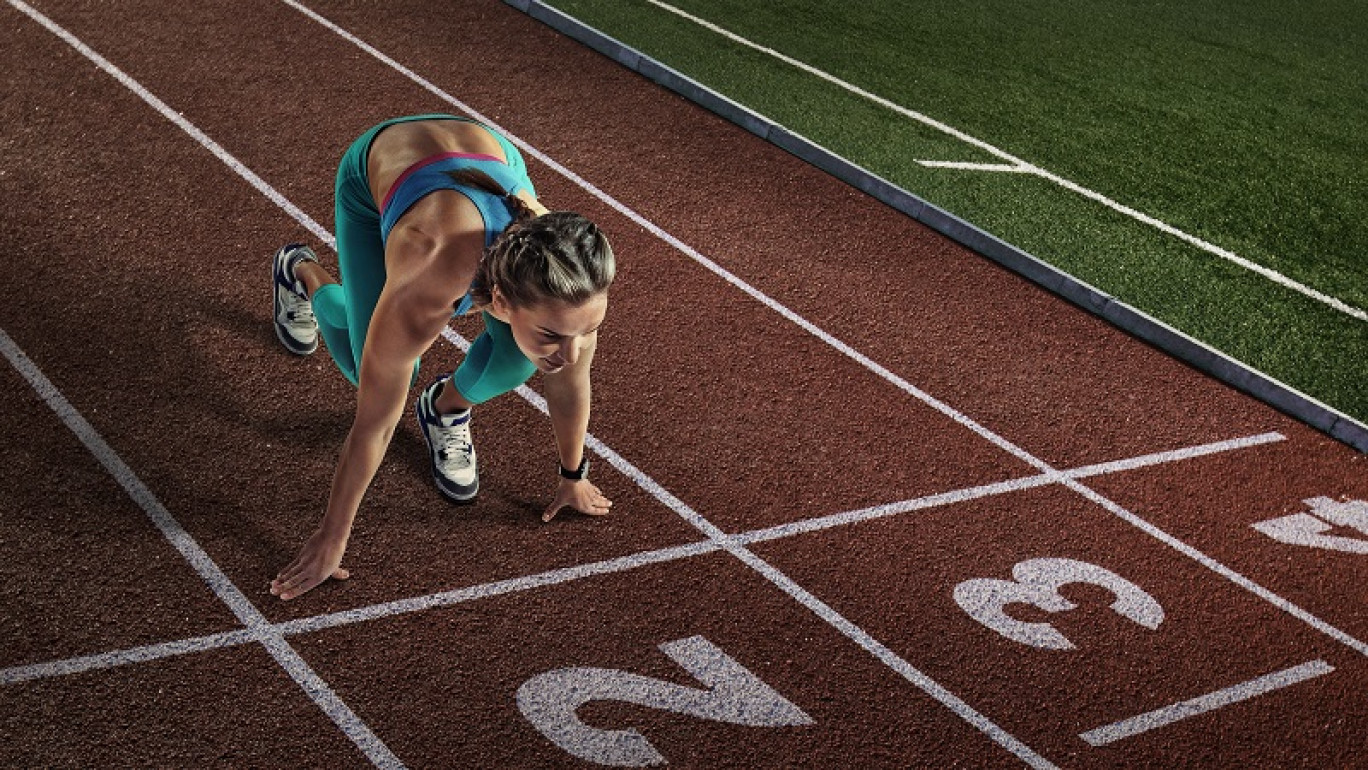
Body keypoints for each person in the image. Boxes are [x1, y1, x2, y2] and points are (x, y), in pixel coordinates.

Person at [268, 114, 615, 601]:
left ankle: (445, 407)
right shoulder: (427, 278)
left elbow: (570, 379)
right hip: (380, 177)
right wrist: (333, 536)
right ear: (498, 301)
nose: (573, 350)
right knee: (368, 368)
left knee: (524, 360)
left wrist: (573, 475)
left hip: (484, 158)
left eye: (588, 331)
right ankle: (301, 272)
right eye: (554, 333)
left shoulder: (570, 280)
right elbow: (375, 425)